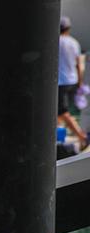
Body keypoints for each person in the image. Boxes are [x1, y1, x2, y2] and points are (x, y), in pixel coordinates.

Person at [59, 16, 88, 148]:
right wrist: (80, 83)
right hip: (73, 80)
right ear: (68, 28)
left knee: (61, 112)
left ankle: (81, 136)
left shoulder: (56, 41)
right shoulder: (74, 42)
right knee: (61, 112)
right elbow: (79, 64)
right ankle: (59, 136)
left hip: (61, 82)